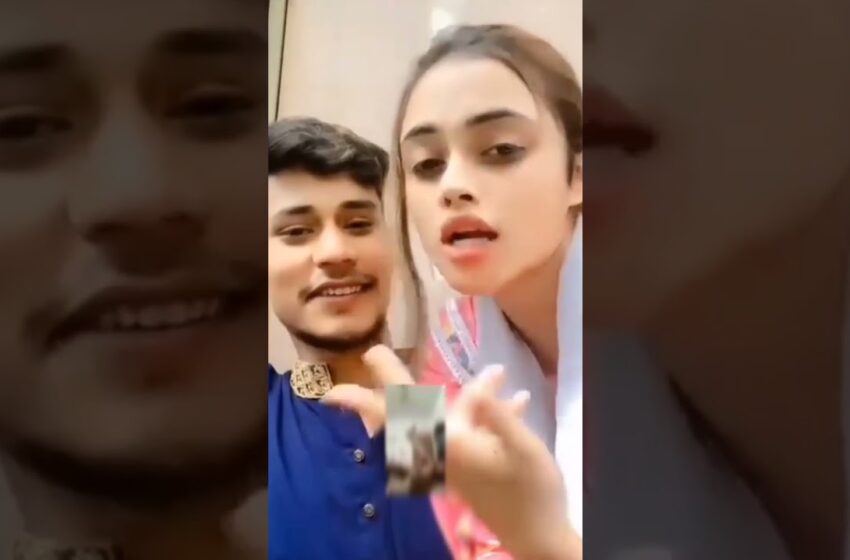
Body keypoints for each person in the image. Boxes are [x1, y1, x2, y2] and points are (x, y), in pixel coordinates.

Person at [0, 1, 268, 558]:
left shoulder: (415, 394)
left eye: (214, 106)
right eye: (19, 126)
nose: (336, 256)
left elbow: (438, 521)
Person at [323, 24, 583, 560]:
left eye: (501, 149)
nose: (452, 186)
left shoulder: (686, 332)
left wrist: (543, 542)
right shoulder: (444, 343)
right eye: (426, 165)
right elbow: (419, 526)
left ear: (579, 175)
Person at [267, 117, 457, 560]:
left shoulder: (456, 395)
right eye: (297, 232)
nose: (336, 253)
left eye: (357, 223)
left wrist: (413, 415)